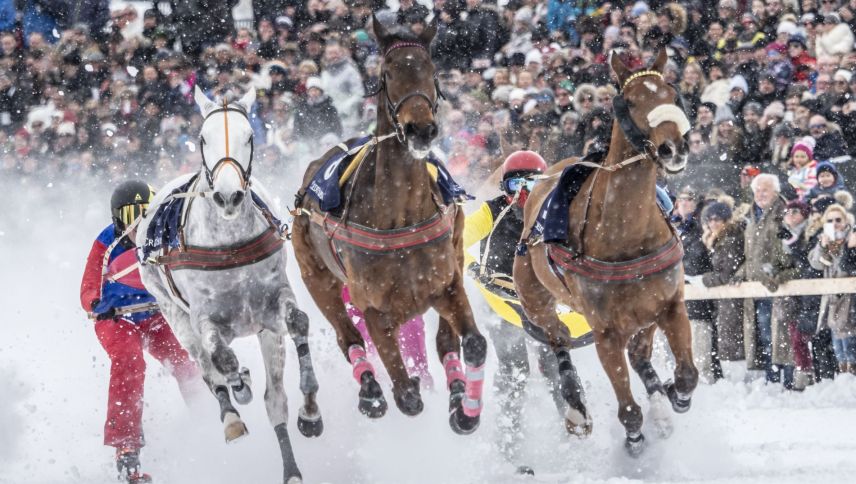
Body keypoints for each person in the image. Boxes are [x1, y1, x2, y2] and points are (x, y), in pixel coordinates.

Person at [79, 180, 199, 483]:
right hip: (117, 317)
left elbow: (185, 269)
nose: (139, 223)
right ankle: (125, 446)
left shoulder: (161, 236)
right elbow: (89, 284)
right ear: (118, 218)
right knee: (130, 362)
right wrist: (96, 303)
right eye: (132, 215)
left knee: (184, 360)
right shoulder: (107, 242)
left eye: (145, 213)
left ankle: (211, 415)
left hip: (154, 315)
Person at [462, 151, 569, 470]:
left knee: (554, 365)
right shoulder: (492, 211)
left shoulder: (551, 215)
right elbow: (462, 238)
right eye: (515, 183)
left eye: (531, 183)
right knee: (514, 369)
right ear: (504, 187)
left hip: (541, 304)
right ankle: (509, 445)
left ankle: (571, 431)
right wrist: (472, 267)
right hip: (502, 300)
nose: (522, 192)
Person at [738, 174, 797, 386]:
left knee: (782, 334)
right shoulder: (750, 216)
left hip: (779, 284)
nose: (760, 194)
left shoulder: (785, 212)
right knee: (764, 334)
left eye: (765, 190)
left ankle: (787, 380)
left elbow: (790, 250)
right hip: (757, 286)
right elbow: (750, 255)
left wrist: (778, 273)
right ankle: (771, 379)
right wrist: (740, 272)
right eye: (757, 191)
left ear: (775, 192)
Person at [672, 186, 721, 382]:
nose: (684, 203)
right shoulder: (673, 228)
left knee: (700, 340)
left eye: (689, 199)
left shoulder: (701, 227)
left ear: (695, 204)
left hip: (699, 294)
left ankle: (705, 378)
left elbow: (699, 259)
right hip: (676, 296)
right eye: (681, 199)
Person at [808, 203, 856, 376]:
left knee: (850, 346)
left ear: (845, 220)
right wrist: (822, 245)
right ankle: (843, 378)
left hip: (850, 300)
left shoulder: (852, 237)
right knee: (839, 349)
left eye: (838, 219)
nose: (835, 223)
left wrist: (850, 247)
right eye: (830, 220)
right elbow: (816, 264)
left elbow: (849, 266)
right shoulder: (826, 241)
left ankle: (851, 378)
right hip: (832, 302)